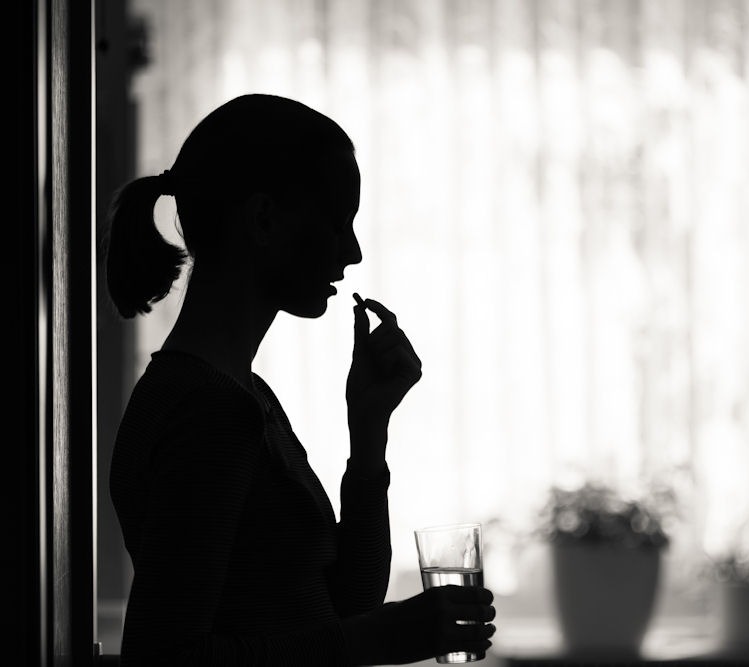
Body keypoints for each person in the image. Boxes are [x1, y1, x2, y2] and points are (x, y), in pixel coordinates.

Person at [104, 93, 496, 666]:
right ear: (263, 220)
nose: (354, 252)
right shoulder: (208, 411)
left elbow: (345, 604)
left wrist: (368, 432)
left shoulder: (242, 395)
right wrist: (377, 639)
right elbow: (164, 656)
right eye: (339, 224)